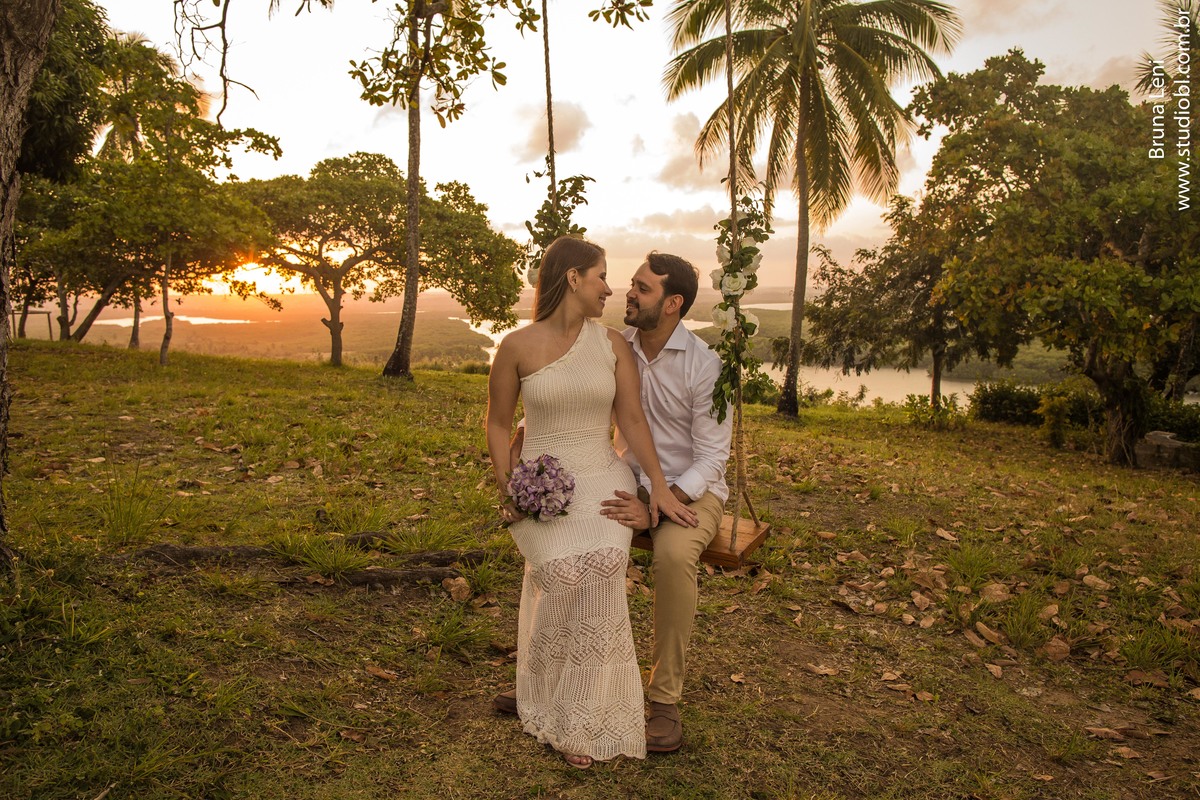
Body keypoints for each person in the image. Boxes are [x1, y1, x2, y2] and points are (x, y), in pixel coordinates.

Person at [496, 251, 731, 756]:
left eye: (642, 289)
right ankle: (546, 680)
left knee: (669, 557)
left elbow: (713, 457)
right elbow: (557, 396)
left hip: (689, 488)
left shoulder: (704, 365)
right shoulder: (610, 342)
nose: (625, 291)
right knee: (566, 556)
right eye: (625, 283)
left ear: (672, 304)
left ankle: (664, 700)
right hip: (622, 477)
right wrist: (520, 466)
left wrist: (662, 500)